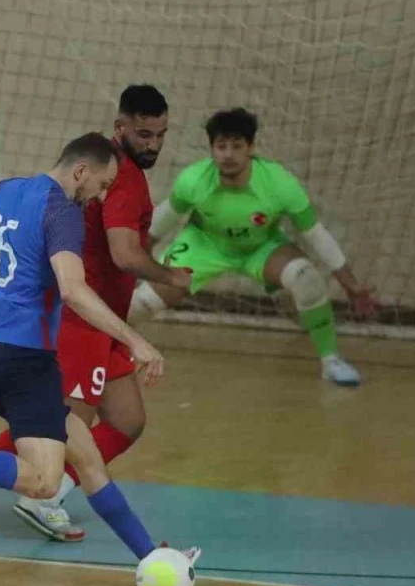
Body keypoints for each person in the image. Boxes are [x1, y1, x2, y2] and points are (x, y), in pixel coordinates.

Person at [0, 132, 199, 569]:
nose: (101, 196)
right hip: (25, 362)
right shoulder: (63, 212)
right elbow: (73, 290)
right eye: (102, 185)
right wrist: (137, 341)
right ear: (81, 172)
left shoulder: (5, 191)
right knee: (43, 482)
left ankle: (151, 556)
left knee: (89, 462)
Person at [0, 85, 192, 541]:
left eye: (161, 134)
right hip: (84, 318)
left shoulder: (109, 170)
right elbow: (125, 254)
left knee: (126, 421)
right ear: (120, 128)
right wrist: (170, 277)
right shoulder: (122, 179)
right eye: (144, 134)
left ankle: (43, 492)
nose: (154, 144)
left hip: (105, 321)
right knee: (59, 424)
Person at [132, 108, 377, 386]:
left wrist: (351, 285)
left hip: (262, 247)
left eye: (237, 146)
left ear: (251, 147)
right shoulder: (193, 180)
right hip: (205, 244)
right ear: (211, 149)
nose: (228, 154)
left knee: (305, 278)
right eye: (221, 146)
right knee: (142, 302)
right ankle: (102, 350)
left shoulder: (279, 183)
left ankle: (330, 361)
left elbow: (316, 235)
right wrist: (133, 264)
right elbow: (159, 223)